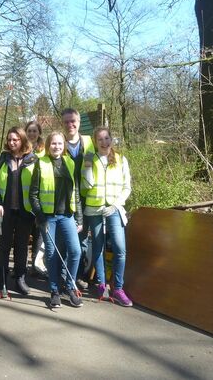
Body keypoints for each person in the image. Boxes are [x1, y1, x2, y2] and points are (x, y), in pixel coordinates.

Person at [30, 132, 84, 309]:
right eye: (53, 143)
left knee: (75, 251)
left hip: (67, 216)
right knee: (52, 255)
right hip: (48, 218)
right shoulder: (41, 163)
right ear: (48, 145)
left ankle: (70, 286)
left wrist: (79, 218)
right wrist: (40, 217)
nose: (57, 146)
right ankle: (54, 291)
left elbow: (75, 192)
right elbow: (33, 194)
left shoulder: (70, 162)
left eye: (60, 143)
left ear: (64, 146)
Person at [81, 126, 133, 306]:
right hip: (94, 209)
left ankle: (118, 288)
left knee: (120, 248)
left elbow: (127, 187)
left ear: (111, 139)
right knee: (97, 247)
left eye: (107, 138)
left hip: (114, 208)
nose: (104, 142)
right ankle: (101, 284)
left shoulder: (120, 160)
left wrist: (117, 204)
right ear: (95, 142)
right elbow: (85, 187)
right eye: (100, 139)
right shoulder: (90, 158)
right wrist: (87, 167)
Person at [0, 127, 36, 297]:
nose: (12, 142)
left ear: (22, 140)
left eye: (15, 139)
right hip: (5, 211)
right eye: (9, 139)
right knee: (3, 246)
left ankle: (20, 278)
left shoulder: (32, 159)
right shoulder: (2, 159)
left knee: (22, 246)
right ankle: (1, 281)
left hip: (26, 211)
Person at [61, 108, 95, 290]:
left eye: (73, 121)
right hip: (64, 199)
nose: (70, 124)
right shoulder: (59, 143)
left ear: (79, 122)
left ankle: (77, 275)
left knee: (81, 239)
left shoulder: (90, 142)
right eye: (66, 121)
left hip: (86, 198)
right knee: (66, 239)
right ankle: (64, 275)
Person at [25, 120, 46, 275]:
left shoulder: (44, 151)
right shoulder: (21, 149)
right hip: (24, 200)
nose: (32, 134)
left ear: (39, 133)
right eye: (29, 131)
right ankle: (22, 264)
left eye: (34, 131)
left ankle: (36, 265)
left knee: (39, 235)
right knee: (24, 235)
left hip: (40, 200)